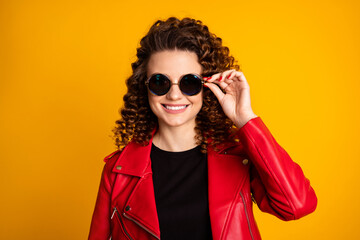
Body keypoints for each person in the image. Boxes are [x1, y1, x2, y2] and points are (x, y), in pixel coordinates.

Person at [88, 17, 317, 240]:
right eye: (160, 82)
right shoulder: (119, 171)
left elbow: (297, 205)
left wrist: (245, 119)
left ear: (206, 86)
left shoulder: (237, 158)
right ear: (144, 87)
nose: (174, 94)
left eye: (189, 82)